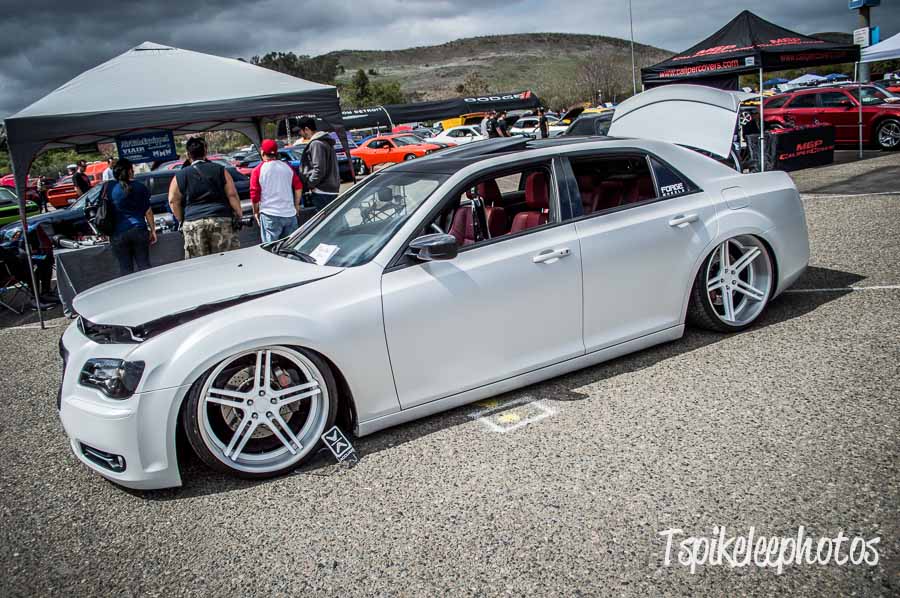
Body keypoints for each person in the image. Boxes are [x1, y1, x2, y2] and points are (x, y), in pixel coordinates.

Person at [168, 137, 243, 259]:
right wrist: (239, 214)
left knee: (199, 266)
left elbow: (173, 200)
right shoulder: (220, 170)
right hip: (220, 220)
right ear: (205, 152)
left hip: (193, 223)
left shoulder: (180, 175)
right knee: (228, 262)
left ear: (188, 155)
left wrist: (183, 218)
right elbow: (232, 194)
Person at [106, 158, 157, 275]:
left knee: (125, 270)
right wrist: (153, 230)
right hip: (139, 230)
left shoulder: (110, 189)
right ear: (130, 171)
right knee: (144, 266)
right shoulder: (140, 187)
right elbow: (148, 211)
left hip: (117, 233)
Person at [250, 139, 303, 243]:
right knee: (291, 248)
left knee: (271, 250)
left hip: (269, 214)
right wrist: (296, 205)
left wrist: (255, 211)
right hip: (289, 214)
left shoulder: (258, 170)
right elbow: (298, 187)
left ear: (262, 152)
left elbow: (254, 194)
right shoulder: (287, 167)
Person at [296, 116, 341, 212]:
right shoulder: (325, 141)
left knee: (326, 223)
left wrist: (310, 184)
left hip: (322, 191)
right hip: (330, 189)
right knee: (334, 219)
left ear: (306, 129)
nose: (300, 134)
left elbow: (319, 169)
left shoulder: (316, 144)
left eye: (300, 131)